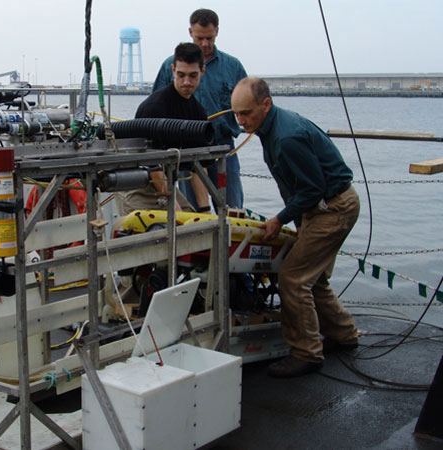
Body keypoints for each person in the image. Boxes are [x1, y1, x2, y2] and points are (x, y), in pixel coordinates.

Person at [231, 77, 360, 378]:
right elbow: (296, 186)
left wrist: (280, 218)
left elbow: (312, 188)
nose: (241, 121)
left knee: (293, 277)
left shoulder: (286, 137)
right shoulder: (268, 128)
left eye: (246, 113)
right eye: (236, 114)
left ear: (266, 104)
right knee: (314, 280)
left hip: (333, 208)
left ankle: (306, 353)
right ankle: (345, 335)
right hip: (321, 208)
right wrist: (301, 221)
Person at [152, 8, 247, 210]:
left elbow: (248, 103)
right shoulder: (169, 64)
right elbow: (154, 112)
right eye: (199, 38)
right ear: (190, 33)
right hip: (184, 148)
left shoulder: (233, 66)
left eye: (209, 38)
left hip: (222, 148)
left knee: (231, 207)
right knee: (192, 210)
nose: (205, 44)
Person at [120, 42, 211, 215]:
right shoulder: (154, 108)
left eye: (193, 76)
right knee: (149, 232)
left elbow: (199, 166)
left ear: (202, 71)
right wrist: (174, 208)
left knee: (195, 226)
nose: (186, 82)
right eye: (181, 75)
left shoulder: (198, 112)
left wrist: (205, 210)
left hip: (168, 184)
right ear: (172, 70)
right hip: (138, 185)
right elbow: (151, 163)